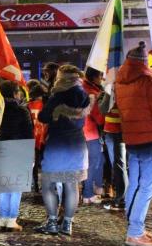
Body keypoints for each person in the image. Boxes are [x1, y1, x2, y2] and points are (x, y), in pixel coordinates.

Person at [115, 42, 152, 246]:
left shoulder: (120, 81)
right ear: (144, 62)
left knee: (135, 185)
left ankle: (134, 226)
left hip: (132, 139)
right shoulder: (150, 82)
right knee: (146, 188)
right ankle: (135, 232)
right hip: (151, 140)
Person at [35, 65, 89, 236]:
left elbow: (43, 116)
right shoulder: (83, 94)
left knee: (48, 183)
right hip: (77, 143)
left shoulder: (58, 95)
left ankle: (52, 221)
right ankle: (67, 224)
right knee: (72, 184)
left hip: (57, 143)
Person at [0, 80, 34, 231]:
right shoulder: (21, 110)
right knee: (16, 186)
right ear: (15, 93)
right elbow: (28, 134)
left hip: (0, 150)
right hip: (18, 150)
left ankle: (3, 219)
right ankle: (11, 219)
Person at [99, 84, 127, 212]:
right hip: (116, 130)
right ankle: (122, 197)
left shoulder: (116, 86)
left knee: (119, 166)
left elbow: (104, 109)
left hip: (117, 130)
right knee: (120, 165)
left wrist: (109, 92)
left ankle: (121, 199)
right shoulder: (112, 86)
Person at [81, 67, 106, 204]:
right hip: (90, 131)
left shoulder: (81, 87)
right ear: (94, 77)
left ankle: (92, 189)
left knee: (92, 162)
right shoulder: (92, 92)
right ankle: (88, 194)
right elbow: (98, 116)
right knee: (93, 162)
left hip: (80, 131)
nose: (101, 78)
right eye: (100, 76)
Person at [26, 79, 48, 192]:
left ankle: (35, 184)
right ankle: (45, 184)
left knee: (33, 162)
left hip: (31, 136)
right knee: (44, 161)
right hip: (43, 136)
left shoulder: (27, 105)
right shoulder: (45, 105)